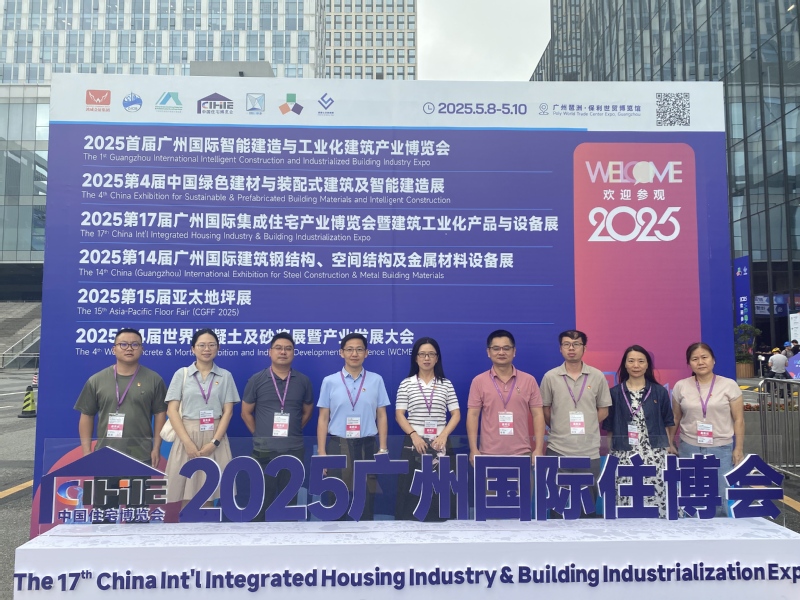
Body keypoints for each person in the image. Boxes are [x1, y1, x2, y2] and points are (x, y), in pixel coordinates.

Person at [317, 333, 390, 520]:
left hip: (367, 445)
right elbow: (323, 418)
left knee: (366, 499)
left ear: (366, 353)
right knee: (336, 499)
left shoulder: (376, 380)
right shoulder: (330, 381)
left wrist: (383, 449)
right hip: (338, 446)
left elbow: (382, 415)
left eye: (359, 349)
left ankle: (365, 536)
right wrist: (322, 453)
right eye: (349, 349)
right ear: (341, 353)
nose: (354, 354)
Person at [539, 329, 612, 517]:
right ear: (560, 348)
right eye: (566, 344)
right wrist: (559, 426)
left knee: (587, 506)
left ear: (584, 348)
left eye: (576, 344)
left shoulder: (597, 376)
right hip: (558, 447)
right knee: (557, 506)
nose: (571, 348)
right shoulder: (550, 377)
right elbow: (545, 409)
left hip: (588, 449)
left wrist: (587, 425)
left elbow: (604, 410)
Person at [241, 332, 313, 519]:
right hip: (263, 450)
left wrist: (294, 431)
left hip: (293, 449)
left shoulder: (303, 381)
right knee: (261, 501)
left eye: (288, 349)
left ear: (293, 353)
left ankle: (288, 537)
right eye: (278, 348)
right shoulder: (256, 380)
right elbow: (245, 412)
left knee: (290, 503)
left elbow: (307, 411)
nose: (283, 352)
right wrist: (260, 435)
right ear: (270, 352)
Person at [164, 329, 240, 505]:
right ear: (193, 349)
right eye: (202, 345)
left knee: (210, 493)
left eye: (211, 345)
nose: (207, 349)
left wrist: (214, 443)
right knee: (186, 495)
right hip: (187, 437)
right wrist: (188, 443)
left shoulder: (225, 376)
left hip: (215, 437)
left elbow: (228, 412)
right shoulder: (182, 374)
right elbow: (172, 410)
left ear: (218, 348)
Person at [75, 328, 167, 467]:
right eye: (123, 344)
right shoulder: (96, 380)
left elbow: (160, 414)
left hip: (141, 454)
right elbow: (87, 415)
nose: (129, 348)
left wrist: (156, 447)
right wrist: (86, 451)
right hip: (105, 454)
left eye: (135, 344)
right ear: (114, 349)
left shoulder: (154, 379)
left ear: (142, 349)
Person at [672, 342, 745, 517]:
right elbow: (675, 418)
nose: (700, 362)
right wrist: (669, 442)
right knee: (691, 494)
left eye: (704, 357)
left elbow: (739, 419)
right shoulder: (681, 386)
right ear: (689, 363)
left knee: (720, 496)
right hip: (689, 447)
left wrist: (739, 448)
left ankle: (720, 531)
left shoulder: (729, 385)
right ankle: (692, 529)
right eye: (695, 359)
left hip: (721, 448)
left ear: (713, 360)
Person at [603, 345, 676, 518]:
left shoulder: (659, 391)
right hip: (624, 455)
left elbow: (668, 422)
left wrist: (669, 446)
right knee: (627, 499)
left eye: (641, 361)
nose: (636, 365)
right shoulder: (614, 393)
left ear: (647, 364)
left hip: (654, 454)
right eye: (631, 361)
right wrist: (611, 453)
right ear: (625, 364)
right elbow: (609, 428)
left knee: (657, 498)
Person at [394, 337, 461, 520]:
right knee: (411, 490)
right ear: (415, 358)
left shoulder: (445, 384)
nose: (426, 358)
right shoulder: (406, 383)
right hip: (414, 443)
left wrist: (444, 435)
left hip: (440, 444)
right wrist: (414, 435)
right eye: (422, 354)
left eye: (431, 354)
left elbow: (456, 414)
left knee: (442, 491)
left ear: (437, 358)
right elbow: (399, 414)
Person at [467, 330, 545, 465]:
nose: (501, 352)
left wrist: (538, 449)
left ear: (514, 351)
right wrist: (474, 449)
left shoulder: (529, 380)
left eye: (506, 348)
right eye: (496, 348)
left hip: (522, 453)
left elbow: (538, 415)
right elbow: (473, 415)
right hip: (488, 454)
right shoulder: (478, 381)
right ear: (488, 352)